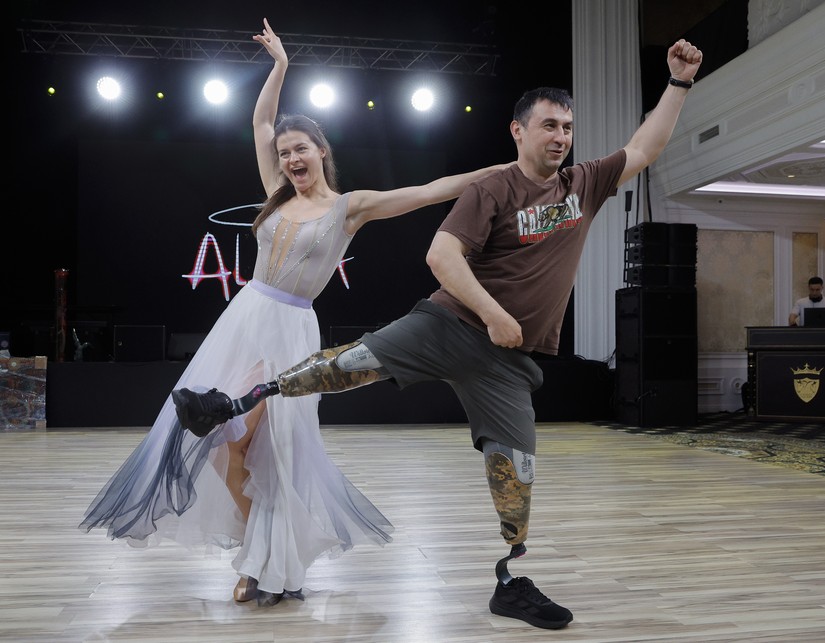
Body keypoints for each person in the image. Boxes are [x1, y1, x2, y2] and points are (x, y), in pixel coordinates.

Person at [173, 39, 703, 629]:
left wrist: (678, 82)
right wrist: (495, 312)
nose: (561, 136)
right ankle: (231, 407)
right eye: (549, 125)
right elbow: (441, 254)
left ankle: (511, 577)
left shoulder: (582, 185)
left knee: (516, 471)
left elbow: (645, 147)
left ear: (322, 152)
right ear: (518, 131)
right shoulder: (493, 190)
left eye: (567, 127)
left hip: (507, 361)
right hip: (443, 325)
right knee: (352, 363)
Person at [80, 17, 510, 608]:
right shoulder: (276, 193)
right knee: (220, 441)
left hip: (289, 329)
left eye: (300, 148)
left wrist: (504, 172)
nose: (290, 158)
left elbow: (431, 190)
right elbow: (261, 123)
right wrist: (280, 66)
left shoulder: (349, 208)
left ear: (321, 151)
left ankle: (262, 565)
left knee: (273, 452)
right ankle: (259, 553)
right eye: (284, 153)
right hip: (245, 318)